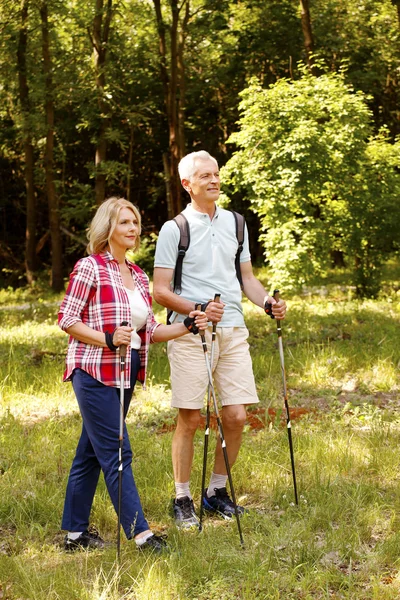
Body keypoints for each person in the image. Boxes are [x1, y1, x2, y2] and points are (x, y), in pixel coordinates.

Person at [58, 196, 207, 552]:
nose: (133, 229)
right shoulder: (90, 267)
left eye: (136, 223)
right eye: (125, 222)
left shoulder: (138, 275)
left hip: (127, 371)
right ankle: (142, 535)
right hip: (93, 370)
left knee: (91, 453)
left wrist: (187, 325)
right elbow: (67, 319)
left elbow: (150, 330)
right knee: (117, 451)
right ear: (108, 227)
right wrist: (107, 339)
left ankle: (75, 535)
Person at [153, 150, 287, 528]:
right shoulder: (173, 229)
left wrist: (267, 302)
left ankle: (215, 492)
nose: (214, 180)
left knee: (236, 415)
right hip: (191, 331)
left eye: (216, 174)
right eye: (205, 176)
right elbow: (160, 290)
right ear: (187, 184)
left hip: (233, 330)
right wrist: (197, 308)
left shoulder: (237, 223)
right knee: (190, 418)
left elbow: (246, 278)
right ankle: (181, 498)